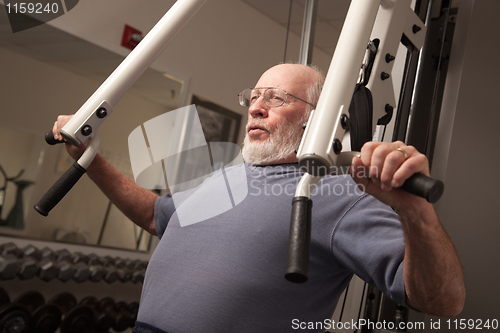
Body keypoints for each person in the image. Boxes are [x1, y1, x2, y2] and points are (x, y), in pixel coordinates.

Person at [53, 63, 465, 332]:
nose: (256, 108)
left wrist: (417, 215)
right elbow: (152, 215)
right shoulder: (225, 179)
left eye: (277, 98)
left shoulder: (341, 195)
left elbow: (442, 302)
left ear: (317, 119)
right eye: (254, 97)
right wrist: (90, 159)